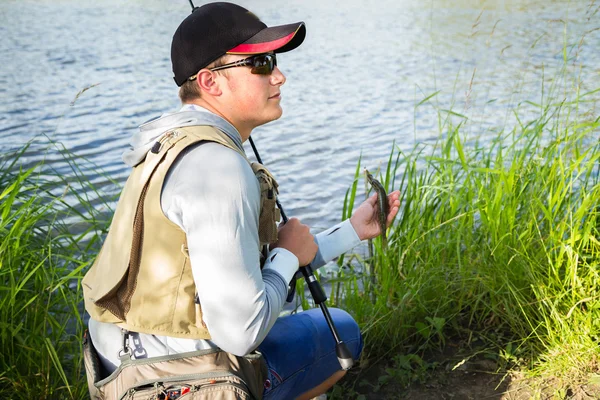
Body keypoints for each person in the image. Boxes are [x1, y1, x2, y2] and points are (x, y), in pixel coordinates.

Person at [82, 2, 400, 399]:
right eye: (262, 63)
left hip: (121, 369)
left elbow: (237, 273)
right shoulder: (218, 168)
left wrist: (351, 231)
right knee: (341, 331)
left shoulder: (168, 146)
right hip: (172, 382)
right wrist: (286, 257)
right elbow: (241, 331)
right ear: (211, 82)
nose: (280, 75)